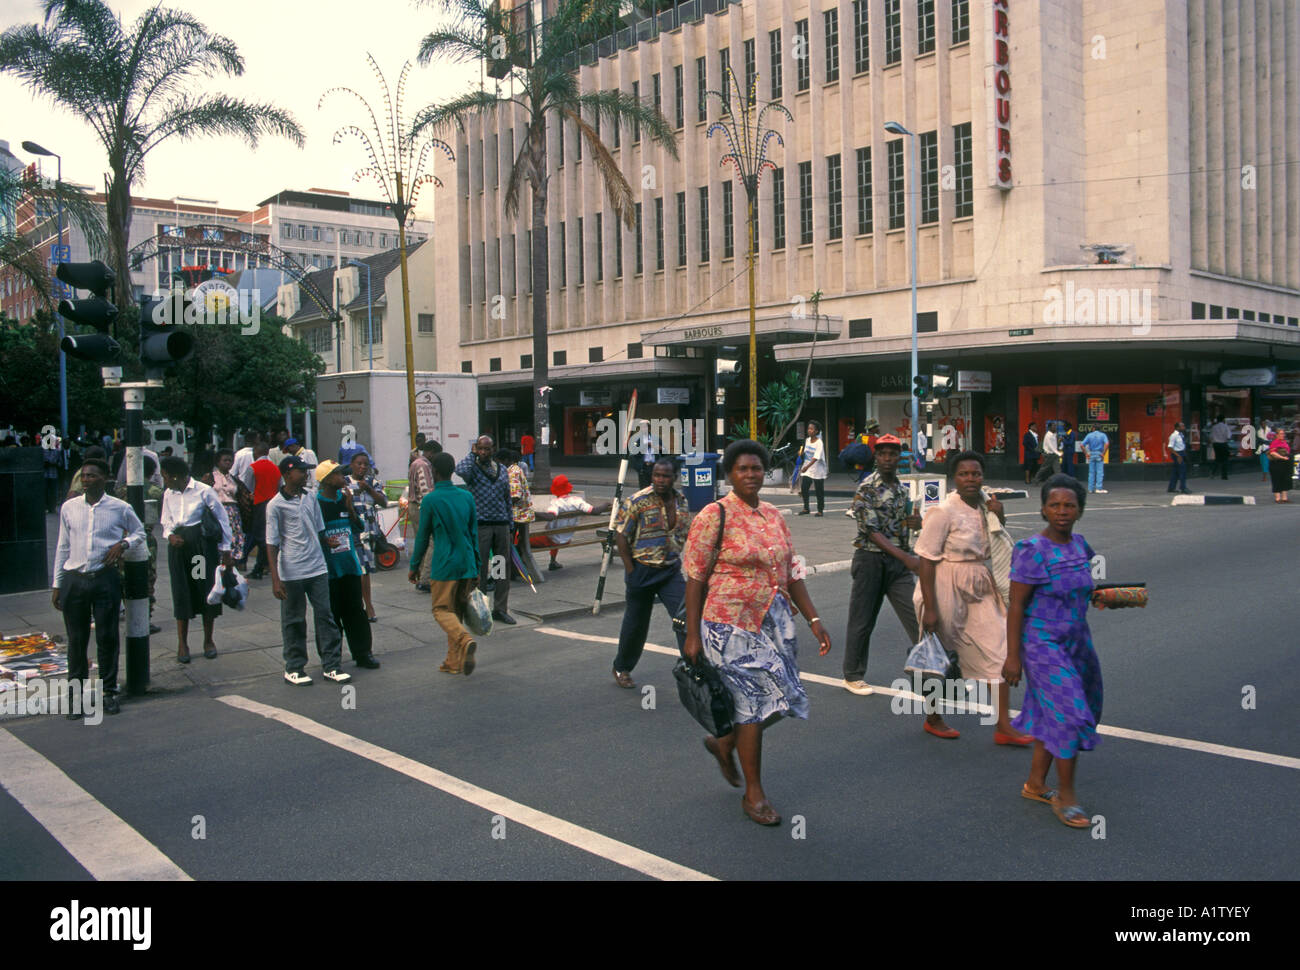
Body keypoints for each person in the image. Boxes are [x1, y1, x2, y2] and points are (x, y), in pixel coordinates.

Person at [682, 440, 832, 826]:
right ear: (729, 474)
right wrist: (693, 635)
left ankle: (726, 741)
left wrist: (814, 620)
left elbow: (791, 571)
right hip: (727, 624)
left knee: (788, 696)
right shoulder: (713, 515)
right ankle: (754, 794)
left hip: (773, 622)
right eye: (742, 469)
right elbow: (696, 577)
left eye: (756, 469)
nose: (750, 475)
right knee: (755, 700)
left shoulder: (773, 515)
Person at [1004, 474, 1103, 829]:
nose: (1062, 511)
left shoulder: (1081, 546)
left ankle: (1034, 784)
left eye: (1069, 505)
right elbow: (1016, 606)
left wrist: (1107, 597)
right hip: (1042, 644)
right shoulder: (1031, 550)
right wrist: (1013, 656)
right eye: (1055, 505)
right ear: (1043, 509)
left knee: (1060, 712)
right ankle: (1067, 795)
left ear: (1080, 510)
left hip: (1078, 642)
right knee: (1071, 715)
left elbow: (1082, 590)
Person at [914, 452, 1030, 742]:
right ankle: (933, 716)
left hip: (979, 581)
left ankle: (1003, 725)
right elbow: (926, 560)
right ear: (955, 478)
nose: (971, 479)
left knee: (1000, 646)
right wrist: (930, 608)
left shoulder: (986, 505)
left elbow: (997, 540)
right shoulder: (942, 512)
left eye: (976, 474)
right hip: (944, 583)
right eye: (964, 474)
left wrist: (998, 514)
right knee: (938, 655)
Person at [51, 459, 145, 717]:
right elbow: (63, 546)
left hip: (105, 579)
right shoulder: (69, 508)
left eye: (92, 476)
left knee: (107, 637)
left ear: (104, 479)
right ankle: (76, 698)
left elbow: (140, 533)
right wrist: (57, 584)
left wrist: (123, 544)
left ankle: (109, 692)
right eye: (84, 476)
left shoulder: (119, 508)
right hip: (75, 578)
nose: (86, 480)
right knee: (76, 641)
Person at [842, 434, 922, 695]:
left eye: (893, 454)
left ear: (900, 457)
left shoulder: (902, 489)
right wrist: (906, 558)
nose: (888, 459)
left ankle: (931, 670)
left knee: (918, 616)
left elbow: (902, 528)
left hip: (898, 564)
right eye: (883, 454)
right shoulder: (866, 488)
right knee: (863, 620)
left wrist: (915, 524)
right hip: (871, 560)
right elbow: (871, 531)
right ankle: (852, 675)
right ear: (875, 457)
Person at [268, 454, 351, 686]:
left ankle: (331, 665)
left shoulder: (310, 497)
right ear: (287, 474)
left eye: (306, 470)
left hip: (317, 567)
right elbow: (272, 543)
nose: (305, 474)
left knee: (326, 615)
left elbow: (318, 527)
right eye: (300, 471)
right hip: (292, 571)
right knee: (294, 620)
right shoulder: (275, 505)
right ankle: (294, 667)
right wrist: (276, 579)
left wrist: (327, 542)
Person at [612, 456, 691, 689]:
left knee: (685, 618)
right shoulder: (637, 500)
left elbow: (684, 532)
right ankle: (621, 667)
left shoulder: (681, 501)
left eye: (665, 476)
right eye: (656, 475)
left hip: (670, 571)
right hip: (642, 571)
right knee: (636, 624)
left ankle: (693, 666)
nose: (660, 480)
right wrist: (630, 569)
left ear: (674, 478)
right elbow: (621, 535)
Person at [408, 451, 481, 675]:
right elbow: (473, 533)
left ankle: (464, 638)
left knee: (441, 610)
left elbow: (422, 537)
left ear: (435, 472)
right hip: (467, 561)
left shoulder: (430, 500)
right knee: (456, 613)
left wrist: (414, 566)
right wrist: (477, 564)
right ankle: (453, 662)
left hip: (444, 564)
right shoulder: (466, 496)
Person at [160, 456, 232, 664]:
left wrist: (226, 549)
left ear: (175, 476)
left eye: (165, 476)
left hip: (198, 550)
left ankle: (208, 640)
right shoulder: (168, 494)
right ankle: (182, 643)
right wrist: (170, 535)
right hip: (179, 550)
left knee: (202, 589)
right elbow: (166, 521)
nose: (164, 480)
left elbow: (222, 519)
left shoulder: (202, 490)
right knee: (181, 592)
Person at [315, 460, 380, 670]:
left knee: (355, 612)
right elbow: (310, 534)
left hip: (350, 566)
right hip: (327, 570)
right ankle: (331, 659)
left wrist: (350, 508)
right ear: (325, 480)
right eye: (338, 474)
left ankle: (363, 654)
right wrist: (324, 540)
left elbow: (359, 526)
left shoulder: (345, 499)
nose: (343, 477)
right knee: (330, 616)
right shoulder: (316, 503)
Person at [456, 435, 518, 625]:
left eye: (487, 449)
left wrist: (510, 524)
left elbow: (507, 497)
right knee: (481, 570)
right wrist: (471, 453)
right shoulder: (472, 469)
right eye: (480, 449)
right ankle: (481, 611)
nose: (483, 452)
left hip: (500, 525)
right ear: (476, 448)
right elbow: (460, 471)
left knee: (500, 569)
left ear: (493, 449)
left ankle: (500, 608)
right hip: (481, 526)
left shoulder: (500, 470)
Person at [113, 455, 163, 634]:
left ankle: (129, 612)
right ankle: (146, 618)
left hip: (123, 539)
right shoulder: (156, 491)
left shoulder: (120, 491)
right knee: (148, 578)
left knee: (125, 576)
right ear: (151, 472)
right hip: (146, 539)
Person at [533, 474, 613, 572]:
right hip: (566, 538)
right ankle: (553, 562)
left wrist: (534, 513)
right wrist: (606, 504)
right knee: (556, 533)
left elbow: (550, 517)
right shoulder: (577, 501)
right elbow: (595, 511)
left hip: (551, 539)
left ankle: (522, 565)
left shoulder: (556, 503)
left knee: (520, 537)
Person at [345, 450, 389, 622]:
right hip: (351, 531)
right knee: (358, 570)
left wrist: (369, 489)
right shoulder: (345, 483)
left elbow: (383, 502)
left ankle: (368, 605)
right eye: (359, 464)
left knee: (364, 570)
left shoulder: (372, 482)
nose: (362, 467)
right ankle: (361, 606)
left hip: (368, 532)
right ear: (352, 465)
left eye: (365, 464)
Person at [499, 447, 542, 587]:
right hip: (519, 515)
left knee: (509, 545)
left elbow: (515, 495)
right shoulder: (515, 470)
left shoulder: (513, 472)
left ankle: (506, 574)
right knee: (514, 545)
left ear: (505, 460)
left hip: (517, 516)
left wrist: (502, 506)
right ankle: (513, 571)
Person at [246, 438, 281, 579]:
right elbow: (279, 486)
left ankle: (261, 566)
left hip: (259, 504)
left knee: (260, 535)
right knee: (270, 534)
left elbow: (247, 486)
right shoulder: (275, 468)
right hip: (273, 502)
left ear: (256, 452)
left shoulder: (253, 467)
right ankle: (264, 565)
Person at [407, 439, 439, 591]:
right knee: (431, 541)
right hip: (421, 507)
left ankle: (420, 575)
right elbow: (426, 491)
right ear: (431, 452)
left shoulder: (415, 462)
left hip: (413, 505)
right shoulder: (424, 465)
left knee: (421, 541)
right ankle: (426, 579)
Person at [205, 449, 245, 563]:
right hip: (216, 512)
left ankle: (232, 561)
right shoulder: (210, 477)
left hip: (233, 512)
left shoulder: (234, 479)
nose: (228, 463)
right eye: (225, 460)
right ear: (218, 462)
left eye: (230, 460)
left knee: (233, 536)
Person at [795, 420, 829, 516]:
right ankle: (806, 508)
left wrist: (806, 467)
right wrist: (800, 453)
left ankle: (820, 510)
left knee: (819, 490)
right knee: (804, 487)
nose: (809, 430)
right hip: (808, 468)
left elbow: (816, 457)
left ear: (816, 431)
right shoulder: (807, 440)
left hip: (818, 469)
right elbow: (805, 453)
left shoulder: (819, 443)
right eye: (808, 428)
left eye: (811, 429)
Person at [1081, 427, 1110, 494]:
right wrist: (1103, 453)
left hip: (1091, 453)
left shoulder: (1089, 435)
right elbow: (1107, 443)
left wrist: (1086, 454)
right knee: (1099, 472)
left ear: (1093, 428)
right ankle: (1098, 488)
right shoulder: (1103, 435)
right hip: (1099, 453)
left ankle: (1090, 489)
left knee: (1091, 472)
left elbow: (1082, 445)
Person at [1266, 431, 1292, 503]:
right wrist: (1282, 457)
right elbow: (1272, 452)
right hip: (1276, 464)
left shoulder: (1284, 442)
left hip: (1284, 464)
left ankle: (1284, 498)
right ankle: (1277, 498)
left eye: (1283, 434)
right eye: (1281, 434)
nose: (1283, 435)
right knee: (1277, 480)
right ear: (1277, 435)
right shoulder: (1275, 442)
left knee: (1285, 480)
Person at [1166, 422, 1190, 494]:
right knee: (1182, 470)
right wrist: (1178, 455)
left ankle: (1171, 487)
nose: (1184, 427)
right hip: (1177, 454)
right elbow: (1170, 447)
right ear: (1177, 427)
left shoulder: (1181, 435)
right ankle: (1183, 487)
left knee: (1175, 472)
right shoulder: (1174, 435)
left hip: (1182, 453)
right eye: (1182, 426)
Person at [1209, 415, 1232, 480]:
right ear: (1223, 420)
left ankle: (1213, 473)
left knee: (1217, 459)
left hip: (1216, 444)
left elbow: (1211, 436)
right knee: (1225, 460)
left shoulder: (1214, 427)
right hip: (1223, 444)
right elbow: (1229, 436)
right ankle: (1224, 475)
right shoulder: (1225, 427)